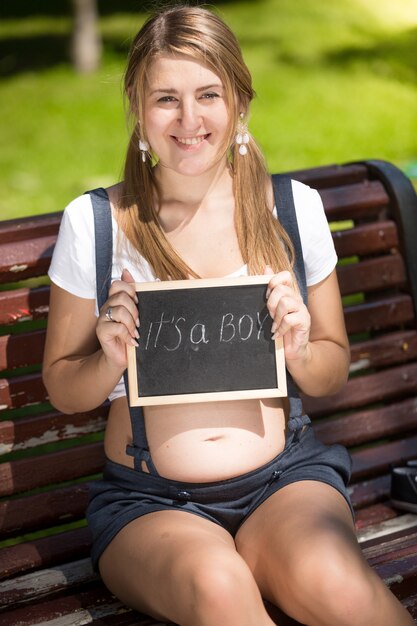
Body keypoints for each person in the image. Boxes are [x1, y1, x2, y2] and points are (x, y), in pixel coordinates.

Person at [42, 5, 414, 626]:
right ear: (137, 107)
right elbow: (60, 386)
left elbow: (331, 372)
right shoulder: (99, 224)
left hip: (284, 480)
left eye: (208, 94)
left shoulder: (292, 211)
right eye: (166, 98)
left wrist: (300, 349)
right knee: (219, 587)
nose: (189, 120)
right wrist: (106, 354)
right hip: (149, 502)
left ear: (240, 102)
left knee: (338, 585)